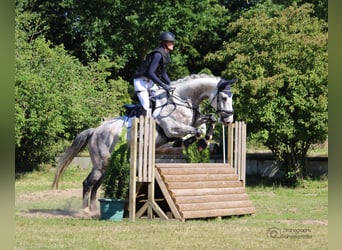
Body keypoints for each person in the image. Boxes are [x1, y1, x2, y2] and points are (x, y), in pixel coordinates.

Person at [133, 31, 176, 116]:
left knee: (160, 101)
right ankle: (137, 125)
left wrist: (171, 84)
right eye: (170, 42)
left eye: (172, 42)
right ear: (164, 43)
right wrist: (163, 85)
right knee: (146, 105)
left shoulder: (166, 55)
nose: (172, 44)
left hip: (150, 82)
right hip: (141, 81)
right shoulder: (158, 54)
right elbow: (150, 72)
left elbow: (163, 73)